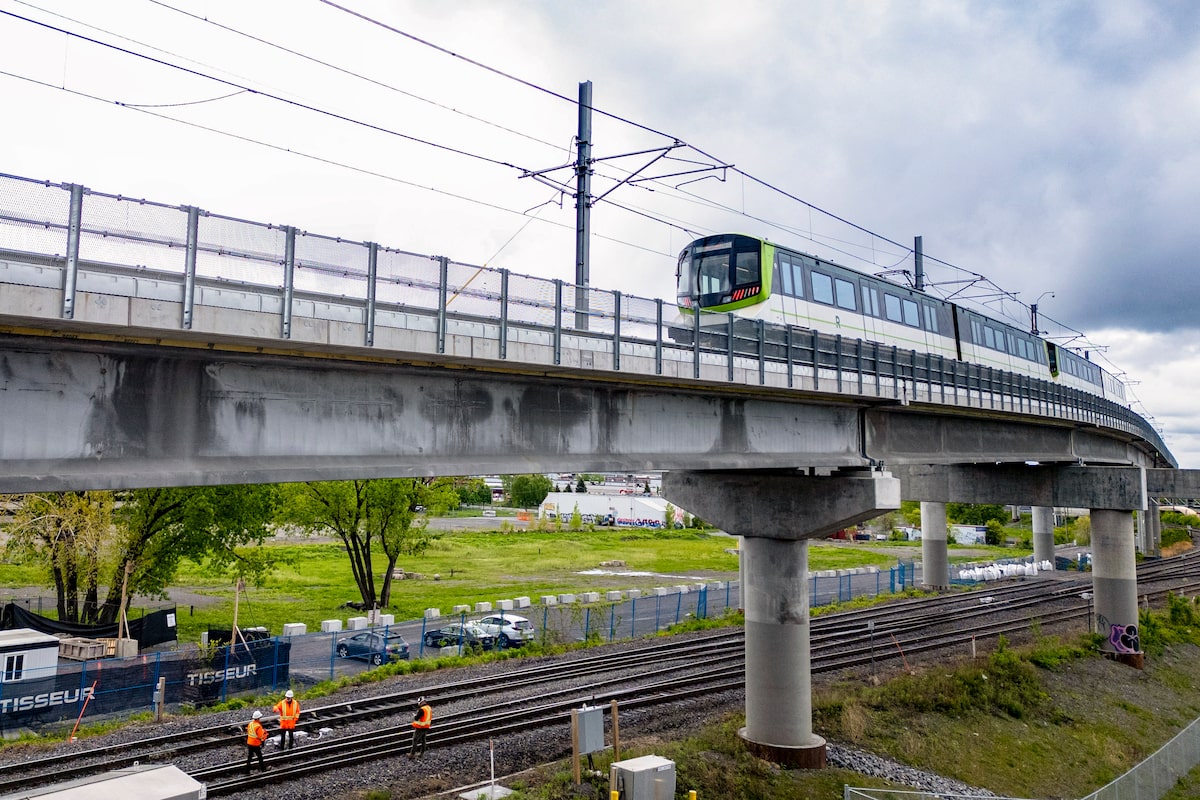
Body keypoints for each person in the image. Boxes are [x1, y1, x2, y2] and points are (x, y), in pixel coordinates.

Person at [245, 709, 268, 774]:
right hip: (255, 744)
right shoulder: (258, 726)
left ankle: (247, 771)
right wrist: (265, 736)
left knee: (249, 757)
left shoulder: (250, 724)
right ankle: (263, 769)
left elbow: (250, 732)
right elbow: (261, 737)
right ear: (258, 718)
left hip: (249, 743)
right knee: (260, 757)